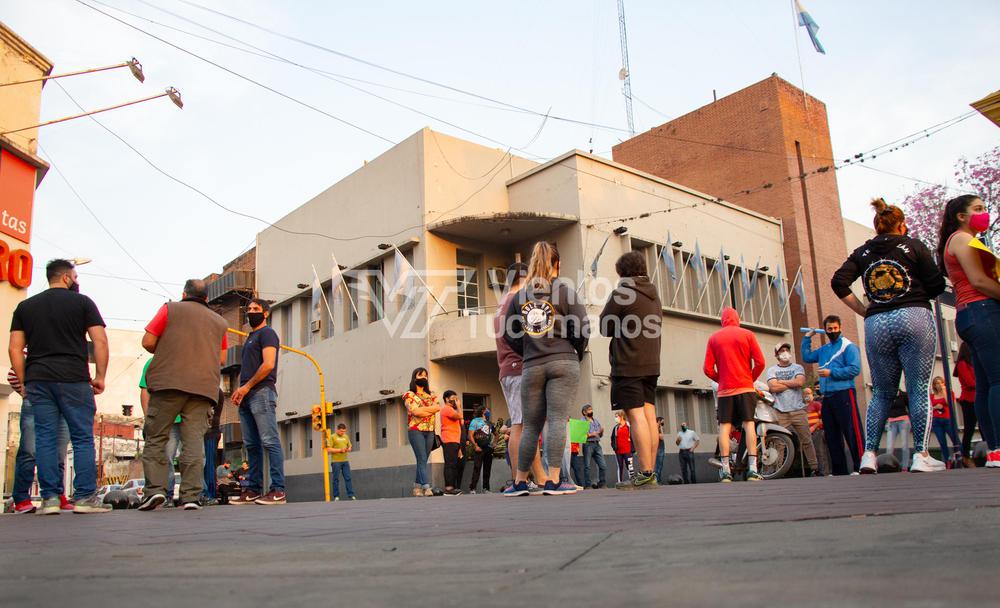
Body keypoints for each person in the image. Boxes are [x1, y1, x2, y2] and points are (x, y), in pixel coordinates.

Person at [832, 198, 946, 474]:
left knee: (882, 391)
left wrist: (864, 310)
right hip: (913, 316)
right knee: (918, 387)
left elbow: (838, 281)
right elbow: (936, 284)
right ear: (901, 224)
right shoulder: (915, 246)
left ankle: (868, 454)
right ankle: (921, 454)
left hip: (877, 323)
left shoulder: (863, 251)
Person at [8, 259, 110, 514]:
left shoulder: (26, 306)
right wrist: (100, 376)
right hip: (73, 378)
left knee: (44, 439)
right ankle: (85, 498)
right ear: (66, 278)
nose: (77, 281)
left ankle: (50, 499)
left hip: (38, 379)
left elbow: (14, 348)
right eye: (75, 277)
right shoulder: (83, 302)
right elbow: (100, 341)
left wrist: (24, 381)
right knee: (82, 438)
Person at [502, 241, 588, 496]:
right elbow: (582, 328)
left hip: (532, 366)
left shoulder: (520, 296)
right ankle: (553, 481)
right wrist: (575, 351)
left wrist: (528, 350)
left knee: (530, 425)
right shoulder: (565, 291)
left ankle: (519, 482)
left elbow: (509, 335)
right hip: (563, 361)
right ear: (557, 264)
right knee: (558, 420)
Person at [139, 279, 228, 511]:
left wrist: (171, 348)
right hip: (203, 388)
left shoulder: (170, 309)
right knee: (194, 442)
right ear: (206, 298)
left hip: (169, 383)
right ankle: (191, 496)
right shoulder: (220, 323)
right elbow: (221, 359)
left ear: (184, 293)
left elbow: (148, 341)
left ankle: (155, 491)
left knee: (156, 437)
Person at [938, 193, 1000, 468]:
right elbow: (978, 280)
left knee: (987, 383)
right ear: (961, 216)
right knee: (998, 380)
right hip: (982, 310)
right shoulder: (962, 239)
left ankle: (994, 449)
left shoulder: (965, 240)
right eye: (977, 209)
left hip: (973, 314)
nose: (983, 212)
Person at [599, 250, 662, 489]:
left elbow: (605, 326)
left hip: (629, 362)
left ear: (622, 273)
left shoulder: (623, 292)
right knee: (648, 416)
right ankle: (651, 471)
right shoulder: (654, 295)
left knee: (636, 417)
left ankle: (644, 473)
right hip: (651, 361)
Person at [494, 262, 547, 490]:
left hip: (507, 368)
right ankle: (537, 478)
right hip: (518, 366)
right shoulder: (517, 301)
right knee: (526, 426)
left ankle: (521, 480)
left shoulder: (502, 303)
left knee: (519, 424)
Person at [230, 299, 285, 505]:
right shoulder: (250, 337)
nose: (251, 312)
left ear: (266, 313)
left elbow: (268, 364)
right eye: (249, 309)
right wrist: (239, 390)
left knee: (269, 441)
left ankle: (278, 489)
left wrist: (246, 387)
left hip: (261, 393)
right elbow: (247, 369)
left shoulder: (267, 334)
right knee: (251, 445)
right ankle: (253, 489)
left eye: (256, 309)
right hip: (246, 395)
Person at [703, 308, 766, 482]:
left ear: (722, 320)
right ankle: (752, 469)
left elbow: (707, 369)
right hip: (745, 388)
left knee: (724, 427)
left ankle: (725, 471)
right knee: (749, 424)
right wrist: (750, 378)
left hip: (725, 390)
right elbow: (760, 362)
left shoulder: (714, 338)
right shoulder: (748, 334)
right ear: (737, 319)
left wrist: (721, 378)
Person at [801, 315, 863, 475]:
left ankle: (860, 466)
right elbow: (807, 357)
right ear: (826, 330)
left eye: (835, 328)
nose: (832, 331)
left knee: (851, 430)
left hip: (844, 392)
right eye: (829, 329)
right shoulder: (824, 349)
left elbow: (854, 369)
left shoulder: (849, 346)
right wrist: (807, 338)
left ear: (840, 327)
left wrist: (832, 372)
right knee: (832, 434)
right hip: (827, 396)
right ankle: (839, 470)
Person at [9, 365, 72, 514]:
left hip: (64, 404)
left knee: (59, 454)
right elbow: (12, 374)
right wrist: (25, 391)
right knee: (29, 450)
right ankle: (22, 497)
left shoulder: (70, 346)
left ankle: (56, 495)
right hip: (36, 399)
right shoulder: (37, 344)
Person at [766, 343, 822, 476]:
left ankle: (815, 468)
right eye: (781, 350)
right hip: (780, 411)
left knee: (807, 440)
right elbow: (773, 388)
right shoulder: (772, 370)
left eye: (787, 350)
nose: (785, 352)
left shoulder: (798, 367)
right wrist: (792, 383)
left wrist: (781, 382)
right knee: (778, 441)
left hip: (798, 410)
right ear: (776, 355)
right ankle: (776, 470)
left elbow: (800, 383)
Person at [139, 358, 182, 506]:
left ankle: (192, 495)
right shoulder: (153, 362)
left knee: (193, 457)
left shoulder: (184, 359)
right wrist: (148, 418)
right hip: (167, 419)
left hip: (186, 417)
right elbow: (145, 390)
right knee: (166, 458)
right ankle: (167, 495)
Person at [402, 367, 440, 496]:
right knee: (422, 458)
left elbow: (437, 408)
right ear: (414, 378)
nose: (424, 377)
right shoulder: (409, 395)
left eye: (425, 375)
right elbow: (415, 411)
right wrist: (430, 410)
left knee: (422, 460)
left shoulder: (432, 394)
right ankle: (426, 487)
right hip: (416, 430)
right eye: (420, 375)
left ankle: (417, 487)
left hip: (430, 430)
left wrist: (423, 410)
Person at [954, 343, 979, 465]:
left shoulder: (972, 363)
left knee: (984, 427)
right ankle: (965, 456)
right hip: (968, 400)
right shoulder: (962, 364)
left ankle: (988, 451)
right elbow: (970, 382)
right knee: (969, 429)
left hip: (977, 399)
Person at [930, 376, 962, 464]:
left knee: (955, 439)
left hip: (948, 419)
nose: (939, 385)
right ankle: (948, 460)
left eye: (941, 383)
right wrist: (935, 407)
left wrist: (944, 391)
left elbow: (949, 403)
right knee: (942, 441)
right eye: (937, 383)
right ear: (934, 385)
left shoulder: (950, 393)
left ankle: (962, 457)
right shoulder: (932, 396)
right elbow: (928, 408)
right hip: (936, 421)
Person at [201, 389, 225, 505]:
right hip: (207, 432)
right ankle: (207, 494)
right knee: (204, 464)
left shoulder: (214, 390)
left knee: (209, 465)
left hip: (210, 432)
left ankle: (210, 495)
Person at [440, 390, 465, 495]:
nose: (455, 400)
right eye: (453, 398)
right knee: (450, 464)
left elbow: (461, 421)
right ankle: (449, 488)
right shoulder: (446, 409)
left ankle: (452, 487)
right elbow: (460, 416)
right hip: (449, 439)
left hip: (455, 440)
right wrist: (459, 406)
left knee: (454, 464)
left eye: (456, 398)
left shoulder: (452, 410)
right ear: (446, 399)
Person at [468, 405, 494, 493]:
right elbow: (470, 435)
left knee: (487, 469)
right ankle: (472, 488)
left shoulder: (489, 423)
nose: (488, 411)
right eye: (487, 410)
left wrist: (494, 444)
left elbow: (496, 434)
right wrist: (475, 446)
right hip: (479, 448)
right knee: (477, 468)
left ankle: (486, 488)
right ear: (483, 411)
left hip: (488, 449)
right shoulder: (475, 421)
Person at [326, 423, 356, 500]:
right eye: (341, 431)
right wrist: (340, 450)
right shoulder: (332, 437)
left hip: (345, 461)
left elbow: (350, 446)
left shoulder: (346, 437)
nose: (343, 433)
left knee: (348, 478)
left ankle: (351, 495)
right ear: (337, 430)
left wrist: (349, 448)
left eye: (344, 431)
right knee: (336, 479)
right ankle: (336, 496)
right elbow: (328, 449)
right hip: (336, 461)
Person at [804, 388, 830, 476]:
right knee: (813, 453)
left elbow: (822, 418)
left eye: (809, 393)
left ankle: (824, 472)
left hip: (817, 431)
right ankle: (817, 471)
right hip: (808, 434)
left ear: (812, 394)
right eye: (805, 393)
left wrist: (814, 427)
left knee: (820, 452)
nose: (807, 395)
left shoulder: (816, 404)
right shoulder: (802, 407)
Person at [581, 404, 607, 489]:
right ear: (584, 412)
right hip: (588, 444)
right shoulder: (582, 421)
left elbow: (600, 435)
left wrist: (601, 432)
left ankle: (602, 483)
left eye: (591, 409)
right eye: (589, 410)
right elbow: (581, 434)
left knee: (603, 465)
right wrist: (592, 434)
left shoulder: (595, 421)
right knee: (587, 466)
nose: (591, 411)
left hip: (597, 444)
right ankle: (588, 485)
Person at [885, 391, 911, 471]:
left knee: (904, 445)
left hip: (903, 421)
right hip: (891, 422)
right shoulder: (887, 396)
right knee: (889, 447)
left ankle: (905, 467)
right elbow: (883, 409)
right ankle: (889, 466)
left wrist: (911, 419)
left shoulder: (903, 395)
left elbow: (910, 407)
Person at [610, 410, 634, 483]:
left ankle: (632, 480)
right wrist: (614, 447)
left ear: (622, 417)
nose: (615, 418)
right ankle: (620, 482)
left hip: (628, 450)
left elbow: (633, 437)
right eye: (615, 417)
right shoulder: (616, 428)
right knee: (620, 466)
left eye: (617, 416)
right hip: (618, 451)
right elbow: (612, 438)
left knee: (629, 466)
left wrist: (633, 448)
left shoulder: (629, 426)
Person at [654, 417, 666, 484]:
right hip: (658, 449)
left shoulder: (659, 429)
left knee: (660, 465)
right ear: (658, 421)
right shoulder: (654, 429)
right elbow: (661, 437)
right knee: (657, 466)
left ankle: (658, 480)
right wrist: (661, 428)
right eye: (662, 422)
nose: (662, 424)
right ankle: (656, 480)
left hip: (661, 448)